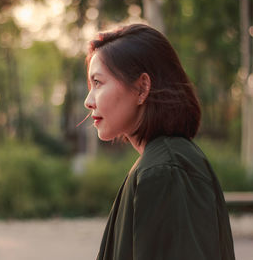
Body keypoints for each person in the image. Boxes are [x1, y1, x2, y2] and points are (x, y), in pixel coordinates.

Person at [83, 24, 235, 260]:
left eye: (98, 83)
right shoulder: (161, 162)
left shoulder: (166, 171)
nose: (88, 101)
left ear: (142, 88)